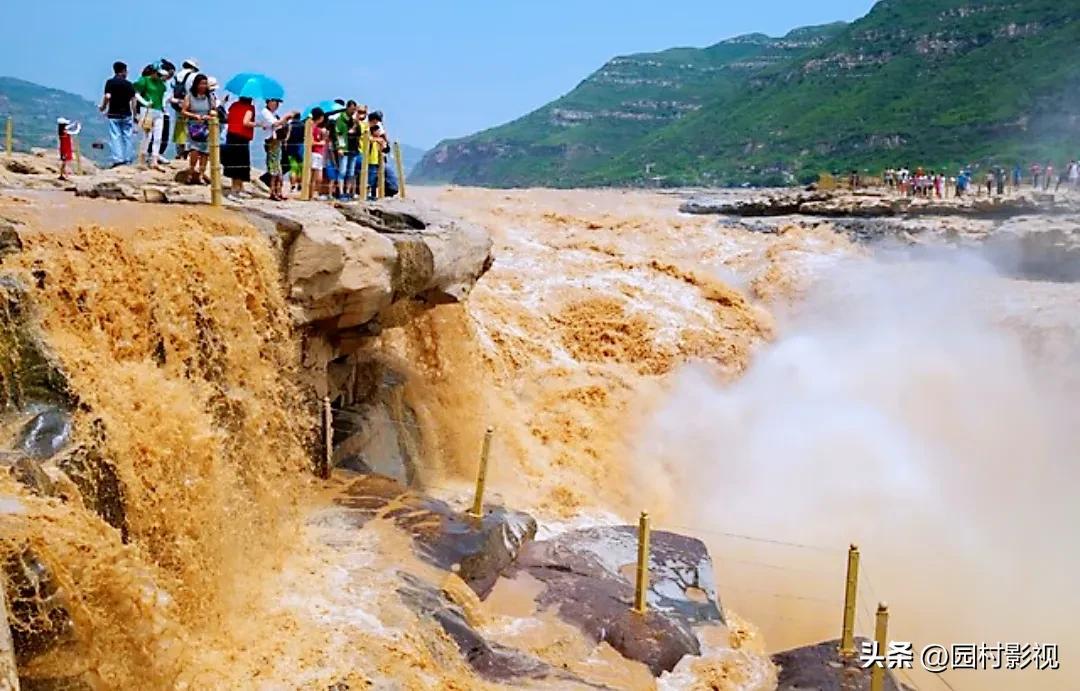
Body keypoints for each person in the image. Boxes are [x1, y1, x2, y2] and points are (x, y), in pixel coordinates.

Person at [258, 98, 298, 201]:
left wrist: (285, 121)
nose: (277, 105)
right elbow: (275, 124)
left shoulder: (273, 114)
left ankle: (278, 191)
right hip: (271, 143)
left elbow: (279, 125)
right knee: (273, 169)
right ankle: (273, 192)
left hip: (277, 142)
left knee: (279, 169)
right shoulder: (265, 113)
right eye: (276, 102)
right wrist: (286, 117)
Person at [99, 61, 136, 167]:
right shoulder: (128, 84)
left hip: (113, 114)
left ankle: (118, 159)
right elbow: (133, 100)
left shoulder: (110, 82)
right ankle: (128, 159)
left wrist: (103, 107)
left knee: (115, 137)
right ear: (123, 71)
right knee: (127, 136)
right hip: (126, 114)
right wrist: (135, 113)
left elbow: (107, 96)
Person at [180, 74, 215, 185]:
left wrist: (209, 116)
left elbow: (214, 111)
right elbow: (184, 111)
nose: (203, 86)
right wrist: (195, 116)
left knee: (205, 152)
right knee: (194, 150)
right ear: (196, 84)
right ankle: (190, 173)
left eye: (205, 84)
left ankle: (201, 175)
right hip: (194, 126)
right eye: (201, 83)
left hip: (206, 127)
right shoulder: (190, 96)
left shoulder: (210, 97)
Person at [134, 64, 169, 169]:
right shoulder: (144, 80)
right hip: (147, 110)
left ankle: (154, 159)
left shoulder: (162, 85)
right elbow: (136, 93)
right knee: (147, 135)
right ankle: (142, 158)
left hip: (158, 110)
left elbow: (162, 96)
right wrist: (144, 102)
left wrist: (163, 106)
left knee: (158, 135)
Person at [223, 96, 256, 195]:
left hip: (231, 135)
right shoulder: (250, 108)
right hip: (242, 136)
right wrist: (258, 124)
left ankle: (238, 186)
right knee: (241, 162)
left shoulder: (234, 105)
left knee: (233, 162)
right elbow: (246, 122)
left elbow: (228, 118)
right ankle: (236, 188)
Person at [170, 58, 200, 160]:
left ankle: (180, 152)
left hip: (178, 104)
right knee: (193, 127)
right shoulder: (193, 76)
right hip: (190, 105)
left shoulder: (176, 76)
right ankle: (190, 151)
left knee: (179, 128)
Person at [334, 101, 360, 200]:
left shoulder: (353, 120)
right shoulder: (341, 119)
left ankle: (348, 192)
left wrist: (357, 123)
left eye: (355, 110)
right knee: (343, 171)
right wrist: (339, 147)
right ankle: (341, 192)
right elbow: (339, 134)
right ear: (348, 108)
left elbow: (358, 133)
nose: (354, 111)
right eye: (352, 109)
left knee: (351, 172)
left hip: (353, 148)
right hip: (344, 148)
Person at [309, 108, 328, 199]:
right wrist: (322, 142)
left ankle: (313, 194)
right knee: (314, 176)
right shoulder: (312, 127)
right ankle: (311, 195)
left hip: (318, 153)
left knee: (317, 175)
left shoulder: (317, 128)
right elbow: (311, 142)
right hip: (315, 152)